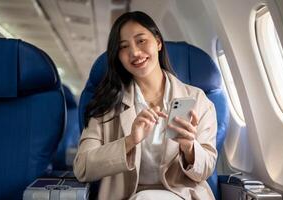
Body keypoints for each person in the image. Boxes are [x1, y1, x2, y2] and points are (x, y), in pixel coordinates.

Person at [73, 11, 217, 200]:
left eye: (141, 41)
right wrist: (130, 141)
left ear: (158, 42)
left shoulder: (197, 100)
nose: (134, 52)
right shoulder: (107, 105)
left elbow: (205, 170)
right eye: (124, 47)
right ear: (118, 57)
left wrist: (189, 148)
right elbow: (82, 168)